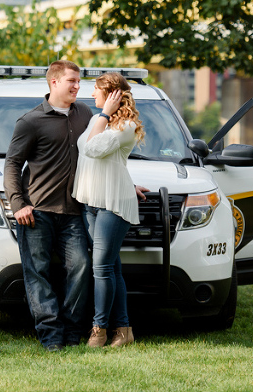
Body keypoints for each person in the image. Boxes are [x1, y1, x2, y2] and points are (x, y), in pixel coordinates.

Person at [3, 60, 93, 351]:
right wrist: (18, 204)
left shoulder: (86, 115)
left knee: (80, 267)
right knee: (37, 273)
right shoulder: (30, 121)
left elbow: (97, 157)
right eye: (72, 81)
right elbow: (12, 164)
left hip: (74, 212)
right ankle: (51, 336)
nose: (77, 86)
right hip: (37, 213)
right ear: (54, 82)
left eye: (78, 81)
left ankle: (72, 332)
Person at [72, 72, 145, 348]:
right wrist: (102, 114)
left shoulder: (124, 125)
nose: (91, 94)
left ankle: (99, 330)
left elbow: (92, 148)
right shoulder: (97, 119)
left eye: (96, 90)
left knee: (101, 268)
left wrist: (105, 113)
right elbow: (95, 158)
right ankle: (124, 331)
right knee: (112, 268)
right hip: (90, 202)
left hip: (112, 204)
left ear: (112, 95)